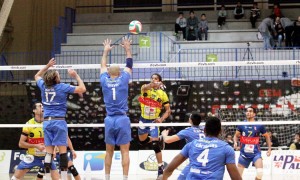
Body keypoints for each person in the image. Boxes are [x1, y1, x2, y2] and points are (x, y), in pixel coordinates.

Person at [34, 58, 86, 180]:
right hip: (59, 121)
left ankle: (47, 178)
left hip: (47, 122)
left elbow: (37, 75)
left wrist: (47, 65)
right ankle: (63, 178)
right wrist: (76, 75)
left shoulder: (43, 86)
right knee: (63, 152)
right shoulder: (62, 87)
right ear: (56, 79)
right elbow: (82, 89)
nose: (59, 75)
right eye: (58, 74)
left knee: (48, 152)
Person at [162, 117, 242, 180]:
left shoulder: (191, 144)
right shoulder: (226, 149)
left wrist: (164, 178)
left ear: (204, 130)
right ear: (220, 131)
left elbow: (169, 169)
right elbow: (235, 177)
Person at [100, 37, 133, 180]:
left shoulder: (104, 80)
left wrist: (105, 51)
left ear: (108, 72)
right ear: (119, 73)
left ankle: (107, 178)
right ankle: (124, 178)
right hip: (122, 119)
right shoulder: (124, 78)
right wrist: (127, 49)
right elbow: (129, 64)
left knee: (109, 152)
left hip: (109, 119)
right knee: (125, 152)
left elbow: (102, 66)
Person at [11, 102, 59, 180]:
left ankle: (41, 172)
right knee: (15, 178)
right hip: (32, 156)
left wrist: (54, 150)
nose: (42, 107)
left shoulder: (49, 123)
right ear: (34, 110)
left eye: (43, 106)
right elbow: (21, 144)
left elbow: (55, 139)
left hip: (46, 156)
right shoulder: (29, 124)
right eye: (40, 106)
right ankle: (41, 172)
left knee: (57, 179)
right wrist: (35, 146)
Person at [138, 73, 171, 179]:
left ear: (160, 81)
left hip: (153, 121)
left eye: (156, 78)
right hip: (143, 120)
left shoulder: (162, 94)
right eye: (152, 78)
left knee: (155, 145)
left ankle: (160, 170)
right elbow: (146, 86)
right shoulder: (145, 88)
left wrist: (161, 119)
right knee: (142, 141)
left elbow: (168, 111)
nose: (153, 80)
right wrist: (152, 84)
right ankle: (160, 138)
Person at [161, 112, 204, 180]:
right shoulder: (205, 129)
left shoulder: (188, 131)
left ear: (190, 120)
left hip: (195, 162)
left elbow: (167, 140)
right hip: (209, 162)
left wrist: (164, 134)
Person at [233, 106, 272, 180]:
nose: (248, 112)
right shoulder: (241, 124)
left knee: (260, 173)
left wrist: (269, 149)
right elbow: (235, 136)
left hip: (256, 153)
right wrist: (235, 142)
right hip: (243, 154)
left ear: (254, 114)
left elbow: (267, 136)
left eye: (250, 111)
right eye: (247, 111)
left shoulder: (259, 125)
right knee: (237, 177)